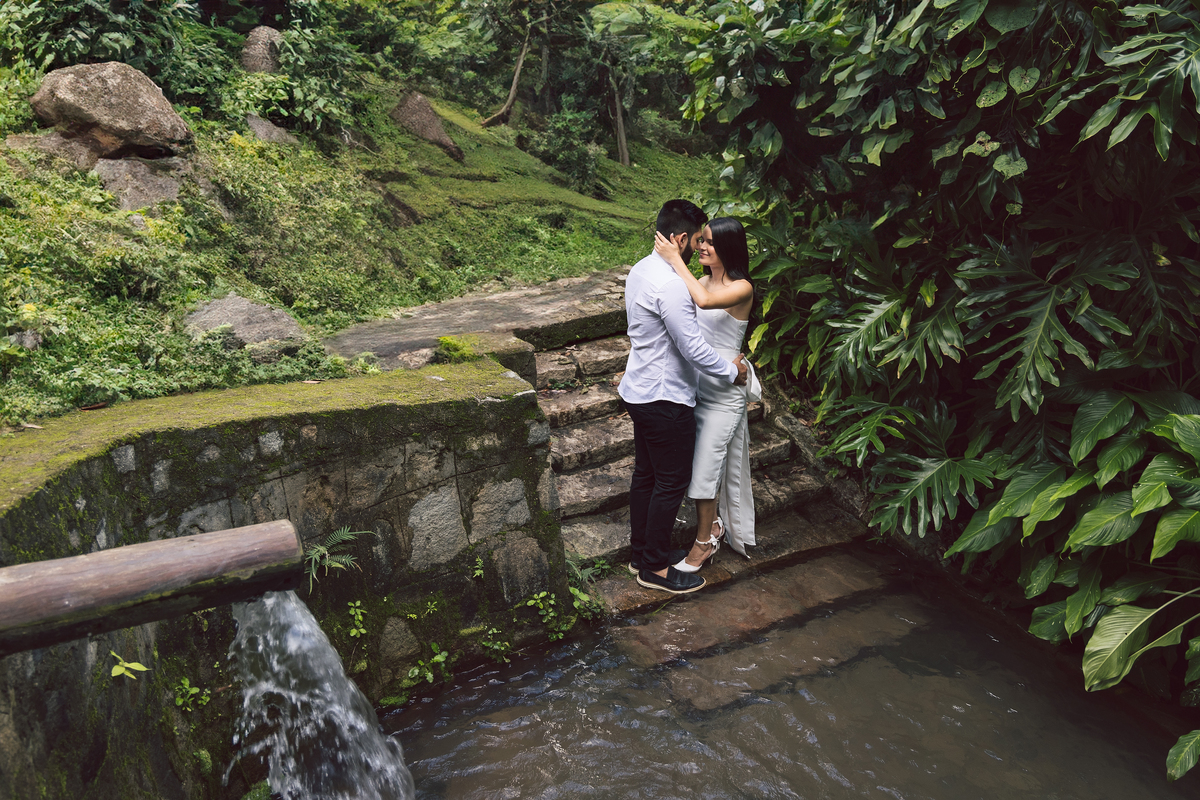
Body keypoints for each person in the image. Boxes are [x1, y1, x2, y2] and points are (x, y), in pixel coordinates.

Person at [619, 200, 748, 595]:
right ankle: (654, 569)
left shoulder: (642, 270)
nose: (698, 248)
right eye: (696, 240)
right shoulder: (672, 284)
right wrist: (732, 371)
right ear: (678, 239)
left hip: (641, 391)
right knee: (671, 481)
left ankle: (640, 553)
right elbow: (692, 348)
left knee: (647, 475)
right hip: (664, 398)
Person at [653, 218, 758, 571]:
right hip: (694, 391)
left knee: (705, 471)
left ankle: (704, 543)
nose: (701, 247)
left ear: (727, 247)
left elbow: (705, 300)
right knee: (692, 468)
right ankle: (713, 525)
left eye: (709, 242)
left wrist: (674, 258)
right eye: (701, 241)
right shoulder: (699, 279)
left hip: (724, 398)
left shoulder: (742, 287)